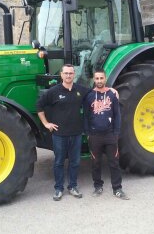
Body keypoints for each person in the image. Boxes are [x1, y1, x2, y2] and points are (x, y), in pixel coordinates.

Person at [37, 64, 90, 201]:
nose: (68, 76)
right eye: (66, 73)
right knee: (59, 162)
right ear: (61, 75)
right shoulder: (53, 91)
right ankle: (58, 188)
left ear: (74, 75)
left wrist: (112, 91)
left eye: (71, 73)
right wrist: (46, 123)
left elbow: (95, 92)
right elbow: (39, 106)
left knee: (75, 162)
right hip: (59, 135)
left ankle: (73, 186)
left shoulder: (80, 90)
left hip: (76, 134)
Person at [83, 69, 129, 200]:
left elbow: (117, 115)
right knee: (95, 163)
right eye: (96, 78)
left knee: (114, 162)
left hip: (110, 135)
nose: (99, 81)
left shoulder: (112, 95)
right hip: (94, 136)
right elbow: (86, 116)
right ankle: (98, 186)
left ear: (105, 78)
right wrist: (88, 133)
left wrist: (116, 133)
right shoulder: (89, 96)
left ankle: (117, 188)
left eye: (101, 78)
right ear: (93, 79)